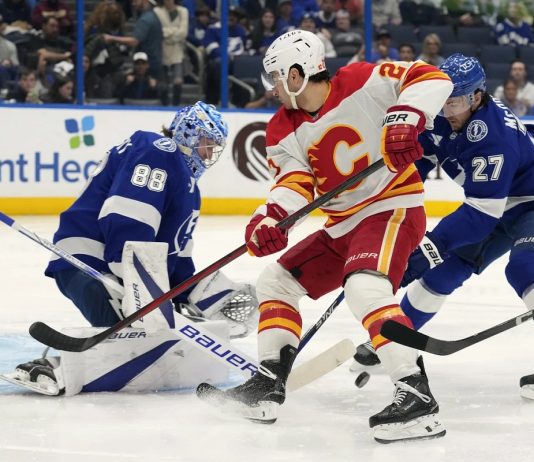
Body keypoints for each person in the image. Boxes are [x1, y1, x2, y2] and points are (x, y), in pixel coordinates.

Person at [197, 29, 453, 443]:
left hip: (390, 208)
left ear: (296, 75)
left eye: (276, 79)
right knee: (275, 282)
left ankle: (416, 395)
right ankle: (267, 385)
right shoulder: (282, 127)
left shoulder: (365, 79)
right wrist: (272, 219)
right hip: (341, 226)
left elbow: (432, 78)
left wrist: (405, 118)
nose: (273, 89)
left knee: (365, 289)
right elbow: (294, 182)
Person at [2, 102, 259, 396]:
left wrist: (202, 294)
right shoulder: (158, 150)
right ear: (187, 134)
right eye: (205, 143)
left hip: (122, 269)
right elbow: (128, 214)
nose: (209, 153)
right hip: (89, 262)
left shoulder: (190, 189)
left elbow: (177, 260)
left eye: (215, 147)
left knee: (151, 338)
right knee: (133, 340)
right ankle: (50, 368)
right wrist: (131, 276)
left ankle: (70, 363)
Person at [350, 54, 534, 401]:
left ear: (477, 96)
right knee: (440, 274)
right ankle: (395, 337)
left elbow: (480, 214)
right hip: (494, 203)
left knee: (525, 267)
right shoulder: (439, 114)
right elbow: (419, 161)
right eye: (444, 99)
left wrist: (427, 248)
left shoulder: (494, 138)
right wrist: (383, 199)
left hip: (527, 204)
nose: (448, 110)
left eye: (457, 101)